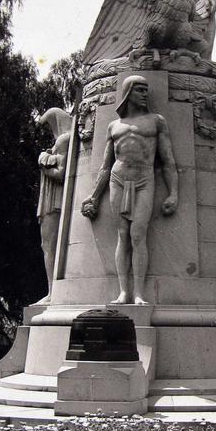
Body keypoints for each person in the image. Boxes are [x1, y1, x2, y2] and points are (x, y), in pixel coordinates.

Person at [81, 76, 178, 305]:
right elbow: (105, 165)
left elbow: (168, 160)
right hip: (118, 178)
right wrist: (94, 196)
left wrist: (174, 192)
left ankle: (139, 293)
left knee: (138, 234)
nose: (145, 94)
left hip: (145, 178)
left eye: (146, 90)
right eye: (140, 90)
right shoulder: (114, 126)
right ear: (128, 93)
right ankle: (124, 291)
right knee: (122, 235)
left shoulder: (156, 121)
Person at [37, 108, 72, 302]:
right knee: (48, 245)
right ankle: (51, 291)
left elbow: (60, 174)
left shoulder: (64, 140)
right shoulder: (63, 140)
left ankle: (52, 293)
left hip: (54, 200)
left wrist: (43, 162)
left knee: (49, 246)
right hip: (51, 199)